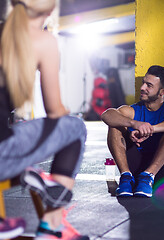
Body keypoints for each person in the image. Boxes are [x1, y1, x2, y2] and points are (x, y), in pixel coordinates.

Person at [0, 1, 88, 239]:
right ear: (50, 10)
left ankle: (34, 176)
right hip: (2, 153)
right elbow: (55, 111)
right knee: (75, 127)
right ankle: (52, 225)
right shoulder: (42, 40)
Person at [101, 65, 164, 198]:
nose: (142, 88)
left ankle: (148, 176)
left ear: (162, 91)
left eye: (149, 85)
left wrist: (151, 129)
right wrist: (135, 124)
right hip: (135, 169)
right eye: (144, 83)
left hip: (162, 172)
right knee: (115, 124)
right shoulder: (133, 110)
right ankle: (126, 177)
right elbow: (107, 115)